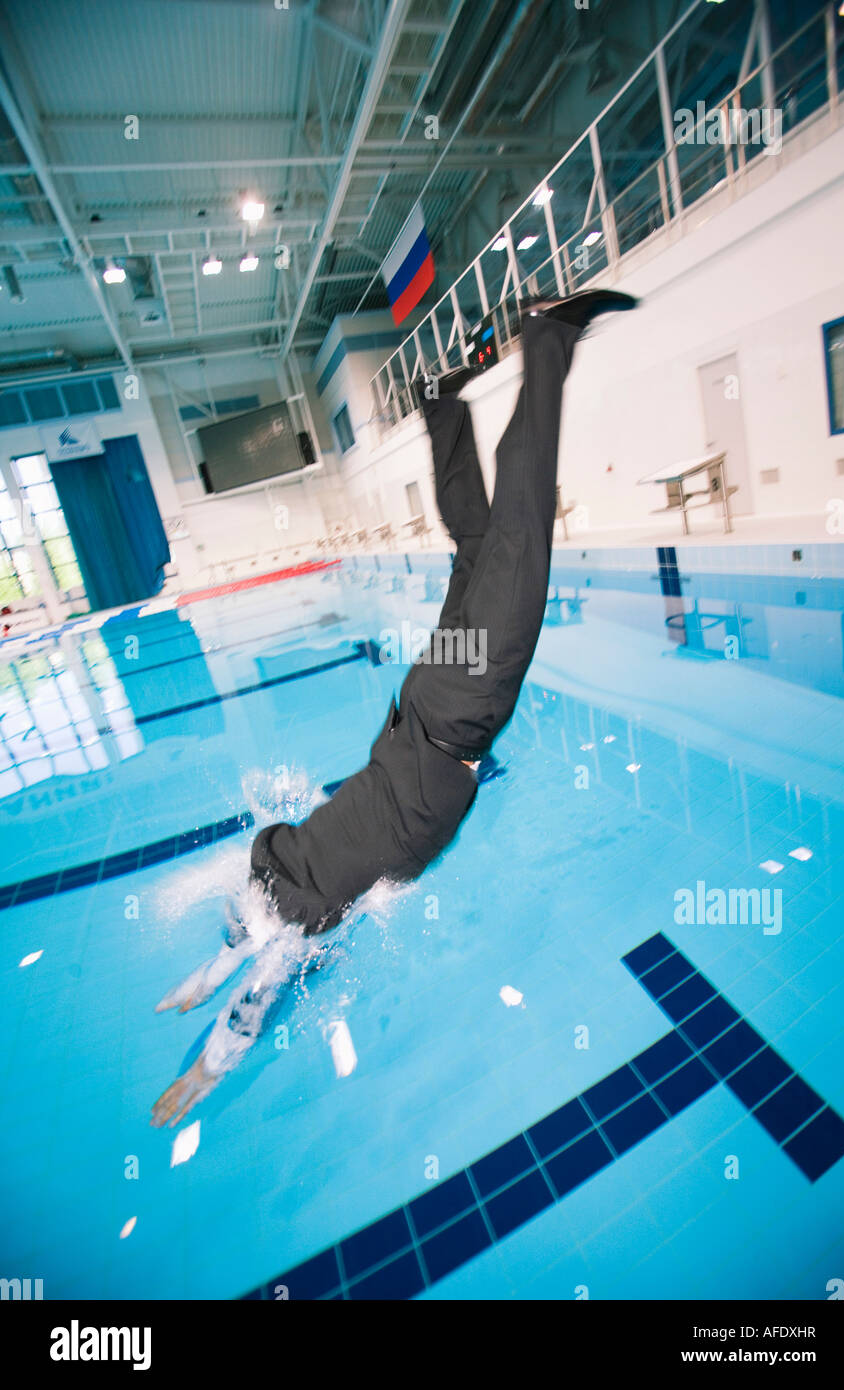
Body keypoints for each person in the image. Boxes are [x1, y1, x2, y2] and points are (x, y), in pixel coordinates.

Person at [151, 287, 638, 1128]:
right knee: (483, 547)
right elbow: (237, 960)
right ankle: (442, 408)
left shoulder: (303, 912)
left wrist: (206, 1071)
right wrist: (194, 992)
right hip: (418, 705)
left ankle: (548, 336)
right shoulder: (294, 849)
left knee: (519, 534)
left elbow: (250, 994)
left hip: (455, 711)